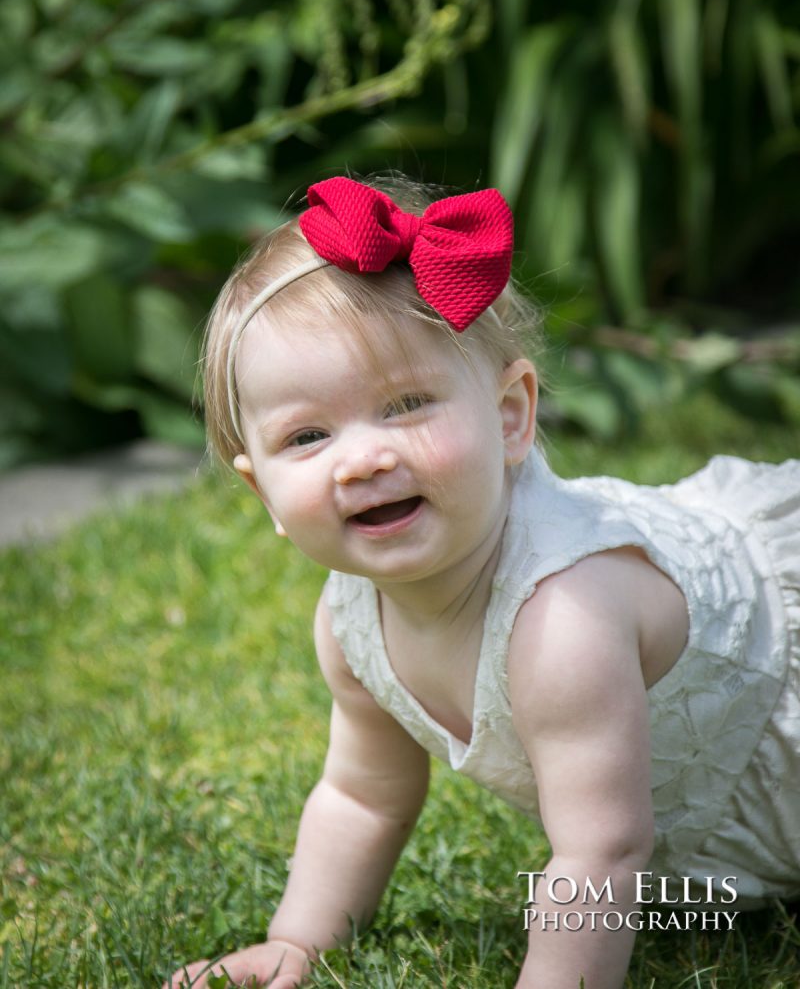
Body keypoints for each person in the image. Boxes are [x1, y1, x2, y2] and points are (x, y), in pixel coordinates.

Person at [165, 174, 799, 989]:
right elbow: (363, 795)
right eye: (309, 435)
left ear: (510, 417)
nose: (364, 458)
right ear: (264, 495)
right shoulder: (351, 621)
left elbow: (600, 847)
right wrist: (297, 941)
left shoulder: (562, 620)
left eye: (405, 405)